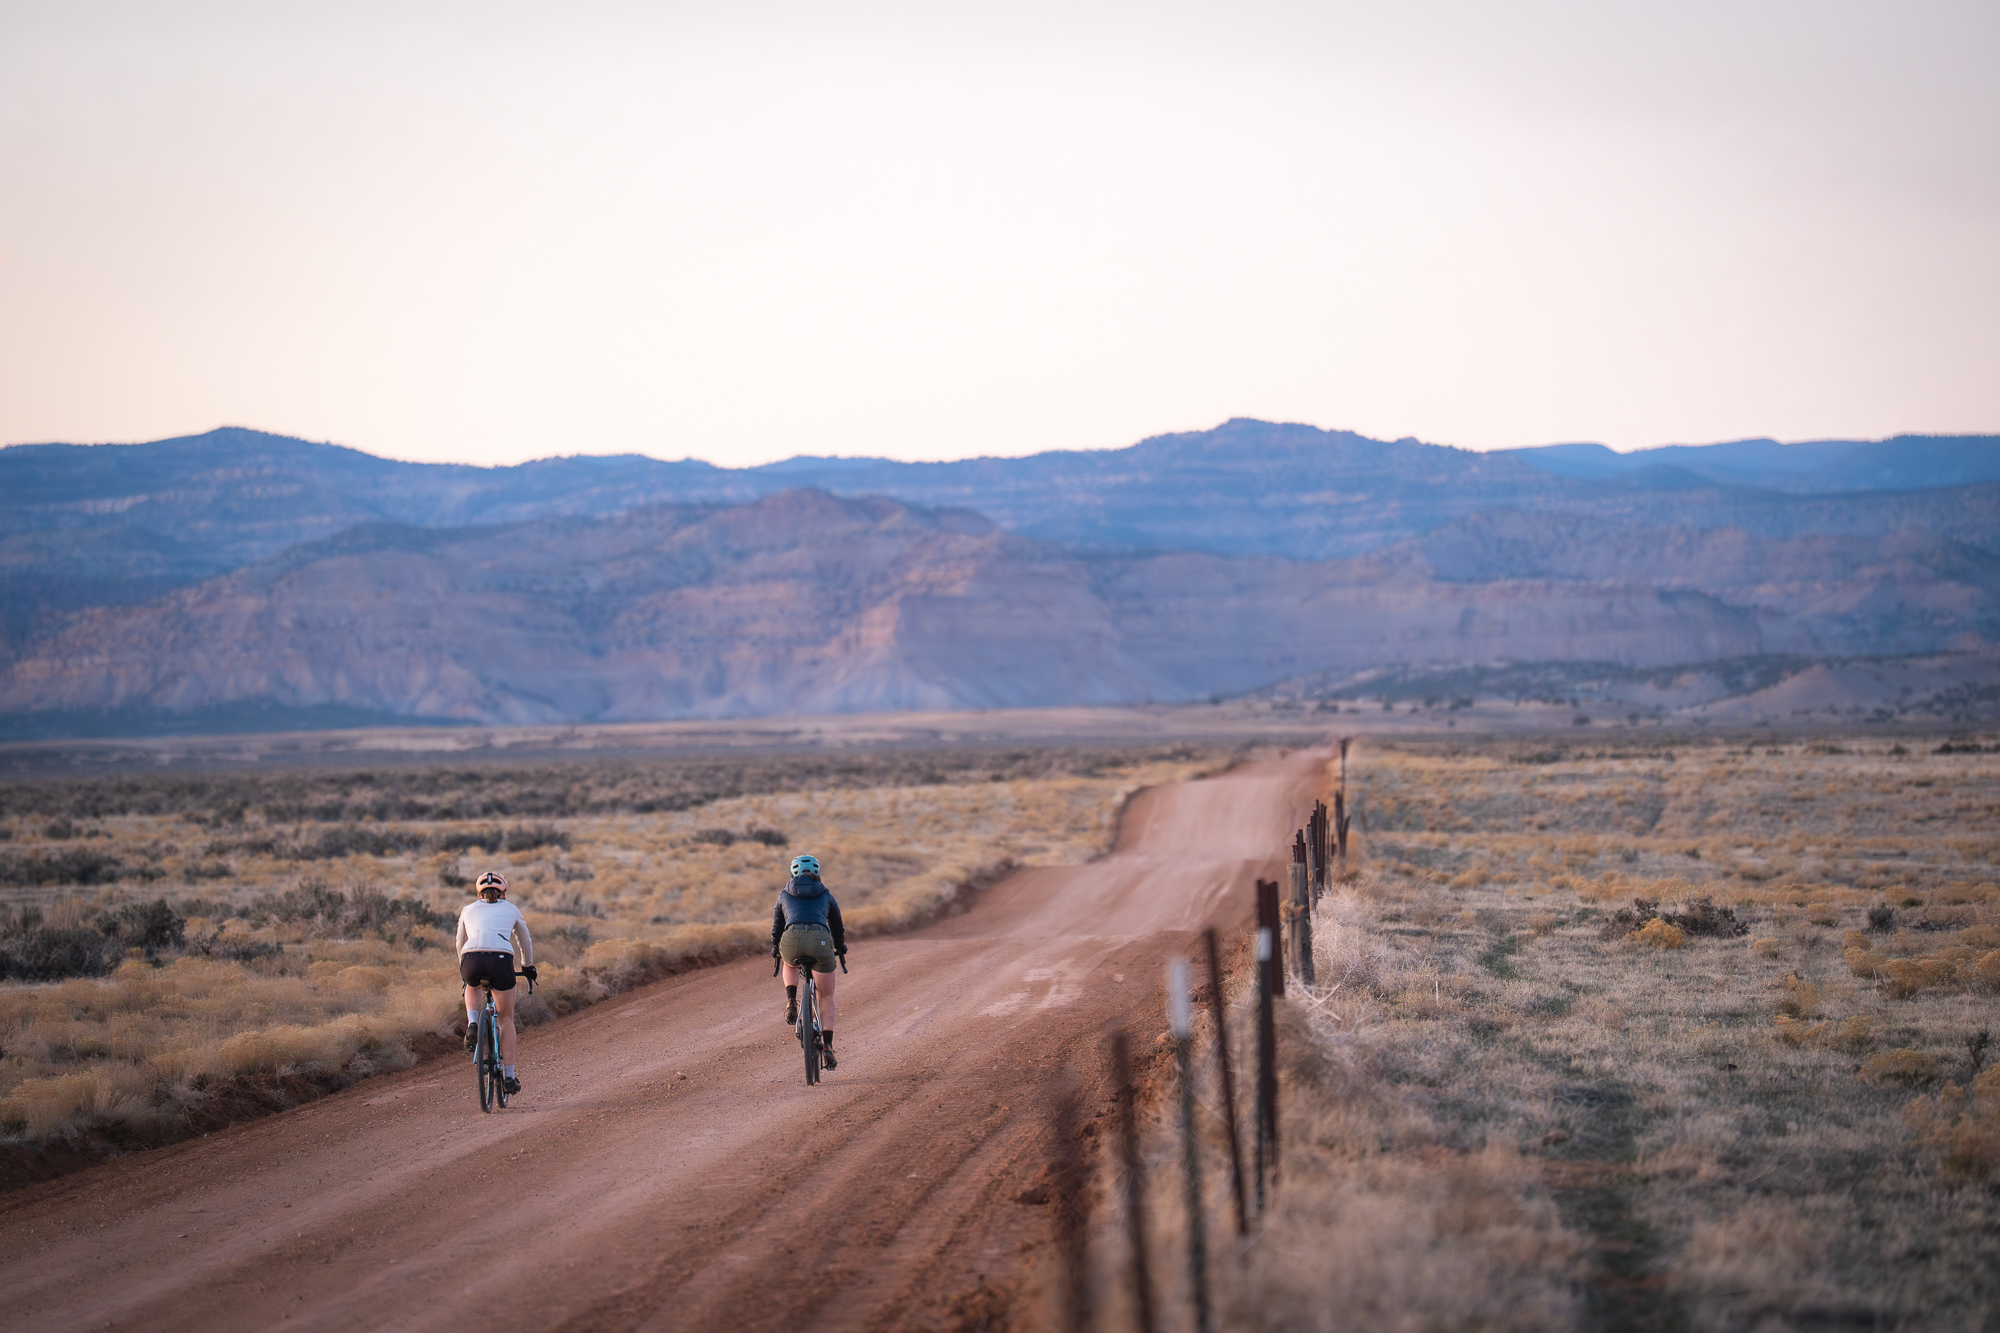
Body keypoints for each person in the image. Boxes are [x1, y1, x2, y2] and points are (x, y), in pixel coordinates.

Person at [457, 871, 537, 1095]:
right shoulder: (510, 909)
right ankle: (509, 1077)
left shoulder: (468, 909)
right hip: (501, 958)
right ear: (504, 893)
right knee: (506, 1019)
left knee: (471, 985)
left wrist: (463, 969)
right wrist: (527, 966)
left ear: (478, 893)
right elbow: (524, 940)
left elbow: (459, 941)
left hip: (471, 957)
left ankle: (473, 1022)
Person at [771, 854, 846, 1070]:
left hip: (791, 939)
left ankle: (791, 1001)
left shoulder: (785, 893)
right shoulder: (826, 894)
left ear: (793, 873)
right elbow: (837, 925)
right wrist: (840, 947)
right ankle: (828, 1046)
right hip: (820, 941)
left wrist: (776, 948)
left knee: (789, 962)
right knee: (827, 997)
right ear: (817, 872)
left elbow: (777, 926)